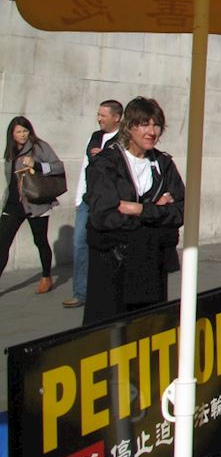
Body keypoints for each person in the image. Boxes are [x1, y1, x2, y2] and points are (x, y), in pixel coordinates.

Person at [83, 97, 185, 324]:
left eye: (156, 125)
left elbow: (181, 211)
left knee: (147, 330)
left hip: (151, 266)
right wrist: (157, 213)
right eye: (144, 124)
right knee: (110, 331)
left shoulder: (164, 164)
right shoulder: (106, 163)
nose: (151, 132)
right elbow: (104, 216)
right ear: (129, 126)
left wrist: (140, 209)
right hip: (113, 265)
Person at [64, 99, 122, 309]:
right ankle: (81, 292)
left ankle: (109, 292)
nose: (99, 119)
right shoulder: (94, 137)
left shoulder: (124, 139)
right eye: (98, 114)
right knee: (80, 243)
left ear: (116, 117)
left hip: (111, 203)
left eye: (103, 115)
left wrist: (107, 155)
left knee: (109, 247)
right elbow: (85, 168)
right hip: (88, 200)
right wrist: (79, 198)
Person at [1, 116, 66, 293]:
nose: (22, 135)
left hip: (36, 203)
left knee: (40, 241)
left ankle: (46, 277)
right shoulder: (11, 150)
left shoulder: (39, 146)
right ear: (12, 134)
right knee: (2, 243)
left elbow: (59, 167)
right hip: (13, 204)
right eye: (19, 132)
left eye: (25, 131)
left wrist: (36, 165)